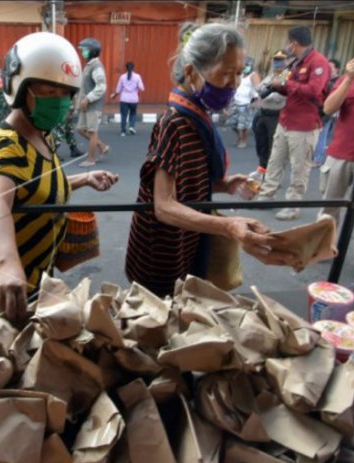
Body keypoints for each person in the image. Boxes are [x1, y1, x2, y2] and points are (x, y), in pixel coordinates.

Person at [125, 23, 295, 298]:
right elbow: (164, 206)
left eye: (239, 73)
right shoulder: (175, 122)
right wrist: (229, 226)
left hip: (187, 235)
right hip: (162, 247)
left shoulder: (198, 115)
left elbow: (186, 181)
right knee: (159, 313)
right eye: (226, 73)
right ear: (192, 72)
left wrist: (225, 185)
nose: (234, 83)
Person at [0, 32, 117, 324]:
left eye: (65, 93)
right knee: (20, 337)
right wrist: (7, 265)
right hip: (11, 261)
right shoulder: (6, 143)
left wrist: (84, 178)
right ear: (19, 87)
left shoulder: (42, 133)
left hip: (41, 260)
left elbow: (40, 183)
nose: (60, 101)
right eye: (49, 92)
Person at [257, 25, 331, 221]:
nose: (288, 47)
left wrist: (285, 84)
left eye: (289, 43)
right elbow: (291, 89)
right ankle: (267, 194)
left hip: (304, 125)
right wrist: (277, 86)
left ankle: (293, 205)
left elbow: (314, 90)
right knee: (275, 161)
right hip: (286, 120)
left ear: (294, 43)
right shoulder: (296, 62)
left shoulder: (319, 63)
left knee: (299, 167)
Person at [318, 57, 354, 225]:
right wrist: (348, 78)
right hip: (341, 154)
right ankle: (324, 248)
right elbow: (328, 108)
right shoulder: (347, 80)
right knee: (329, 207)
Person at [250, 50, 288, 180]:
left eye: (280, 60)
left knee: (274, 147)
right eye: (275, 60)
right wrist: (260, 91)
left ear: (287, 61)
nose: (277, 63)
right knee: (261, 144)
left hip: (275, 115)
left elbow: (277, 97)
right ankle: (262, 169)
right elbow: (260, 88)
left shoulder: (287, 77)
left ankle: (273, 175)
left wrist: (263, 94)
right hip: (262, 113)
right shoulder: (271, 75)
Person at [76, 37, 108, 167]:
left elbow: (101, 86)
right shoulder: (89, 65)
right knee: (80, 129)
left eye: (84, 50)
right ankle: (102, 146)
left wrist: (88, 99)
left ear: (92, 51)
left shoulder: (96, 66)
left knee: (92, 131)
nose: (82, 52)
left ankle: (91, 159)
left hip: (93, 105)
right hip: (85, 105)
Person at [314, 58, 342, 166]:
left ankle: (317, 159)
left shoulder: (338, 82)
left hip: (328, 112)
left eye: (331, 68)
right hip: (321, 110)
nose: (329, 70)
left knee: (322, 135)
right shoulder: (327, 80)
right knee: (319, 134)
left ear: (337, 69)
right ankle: (315, 156)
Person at [228, 56, 260, 148]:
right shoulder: (240, 74)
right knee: (233, 123)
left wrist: (256, 100)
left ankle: (243, 140)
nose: (245, 67)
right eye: (243, 65)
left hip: (247, 103)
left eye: (247, 65)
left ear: (251, 65)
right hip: (236, 102)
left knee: (244, 125)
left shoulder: (253, 75)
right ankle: (239, 137)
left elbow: (258, 88)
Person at [112, 61, 145, 136]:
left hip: (124, 99)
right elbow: (142, 88)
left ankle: (123, 131)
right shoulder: (137, 77)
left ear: (125, 68)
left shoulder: (122, 77)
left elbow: (118, 89)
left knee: (124, 115)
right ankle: (131, 126)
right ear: (133, 68)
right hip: (134, 99)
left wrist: (114, 95)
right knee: (133, 113)